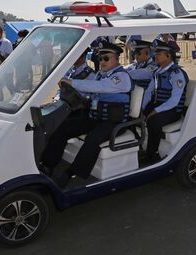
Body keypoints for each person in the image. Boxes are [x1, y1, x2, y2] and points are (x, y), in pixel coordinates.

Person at [40, 42, 133, 186]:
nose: (102, 61)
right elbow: (90, 93)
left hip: (114, 122)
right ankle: (48, 165)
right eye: (100, 58)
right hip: (96, 117)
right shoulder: (101, 75)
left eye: (106, 58)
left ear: (116, 59)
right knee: (63, 126)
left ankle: (71, 173)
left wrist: (72, 82)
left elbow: (100, 87)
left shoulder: (121, 77)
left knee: (93, 138)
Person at [141, 40, 189, 163]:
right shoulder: (158, 72)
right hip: (159, 105)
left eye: (158, 54)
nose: (155, 56)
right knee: (135, 117)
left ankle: (153, 154)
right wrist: (142, 108)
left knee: (153, 121)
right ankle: (141, 147)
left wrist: (155, 111)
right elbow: (148, 92)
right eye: (155, 53)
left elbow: (174, 101)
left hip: (172, 110)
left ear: (168, 55)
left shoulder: (176, 73)